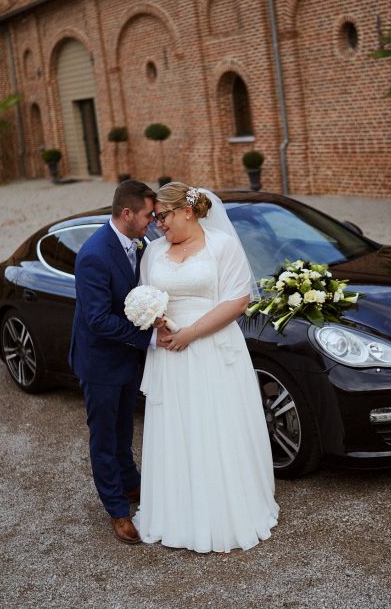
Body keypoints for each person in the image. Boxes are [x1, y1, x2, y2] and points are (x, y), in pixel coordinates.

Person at [133, 182, 279, 553]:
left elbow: (238, 300)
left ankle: (225, 514)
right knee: (176, 429)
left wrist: (191, 334)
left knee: (215, 425)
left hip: (212, 349)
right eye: (155, 218)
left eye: (162, 216)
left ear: (187, 210)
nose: (157, 225)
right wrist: (158, 323)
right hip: (169, 354)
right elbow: (145, 296)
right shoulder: (152, 253)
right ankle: (177, 516)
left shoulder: (222, 246)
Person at [69, 179, 169, 545]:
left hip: (127, 358)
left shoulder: (139, 245)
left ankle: (131, 485)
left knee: (124, 428)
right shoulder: (94, 254)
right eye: (147, 216)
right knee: (105, 437)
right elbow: (97, 319)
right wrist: (151, 337)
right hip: (100, 364)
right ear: (127, 213)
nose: (153, 222)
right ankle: (116, 509)